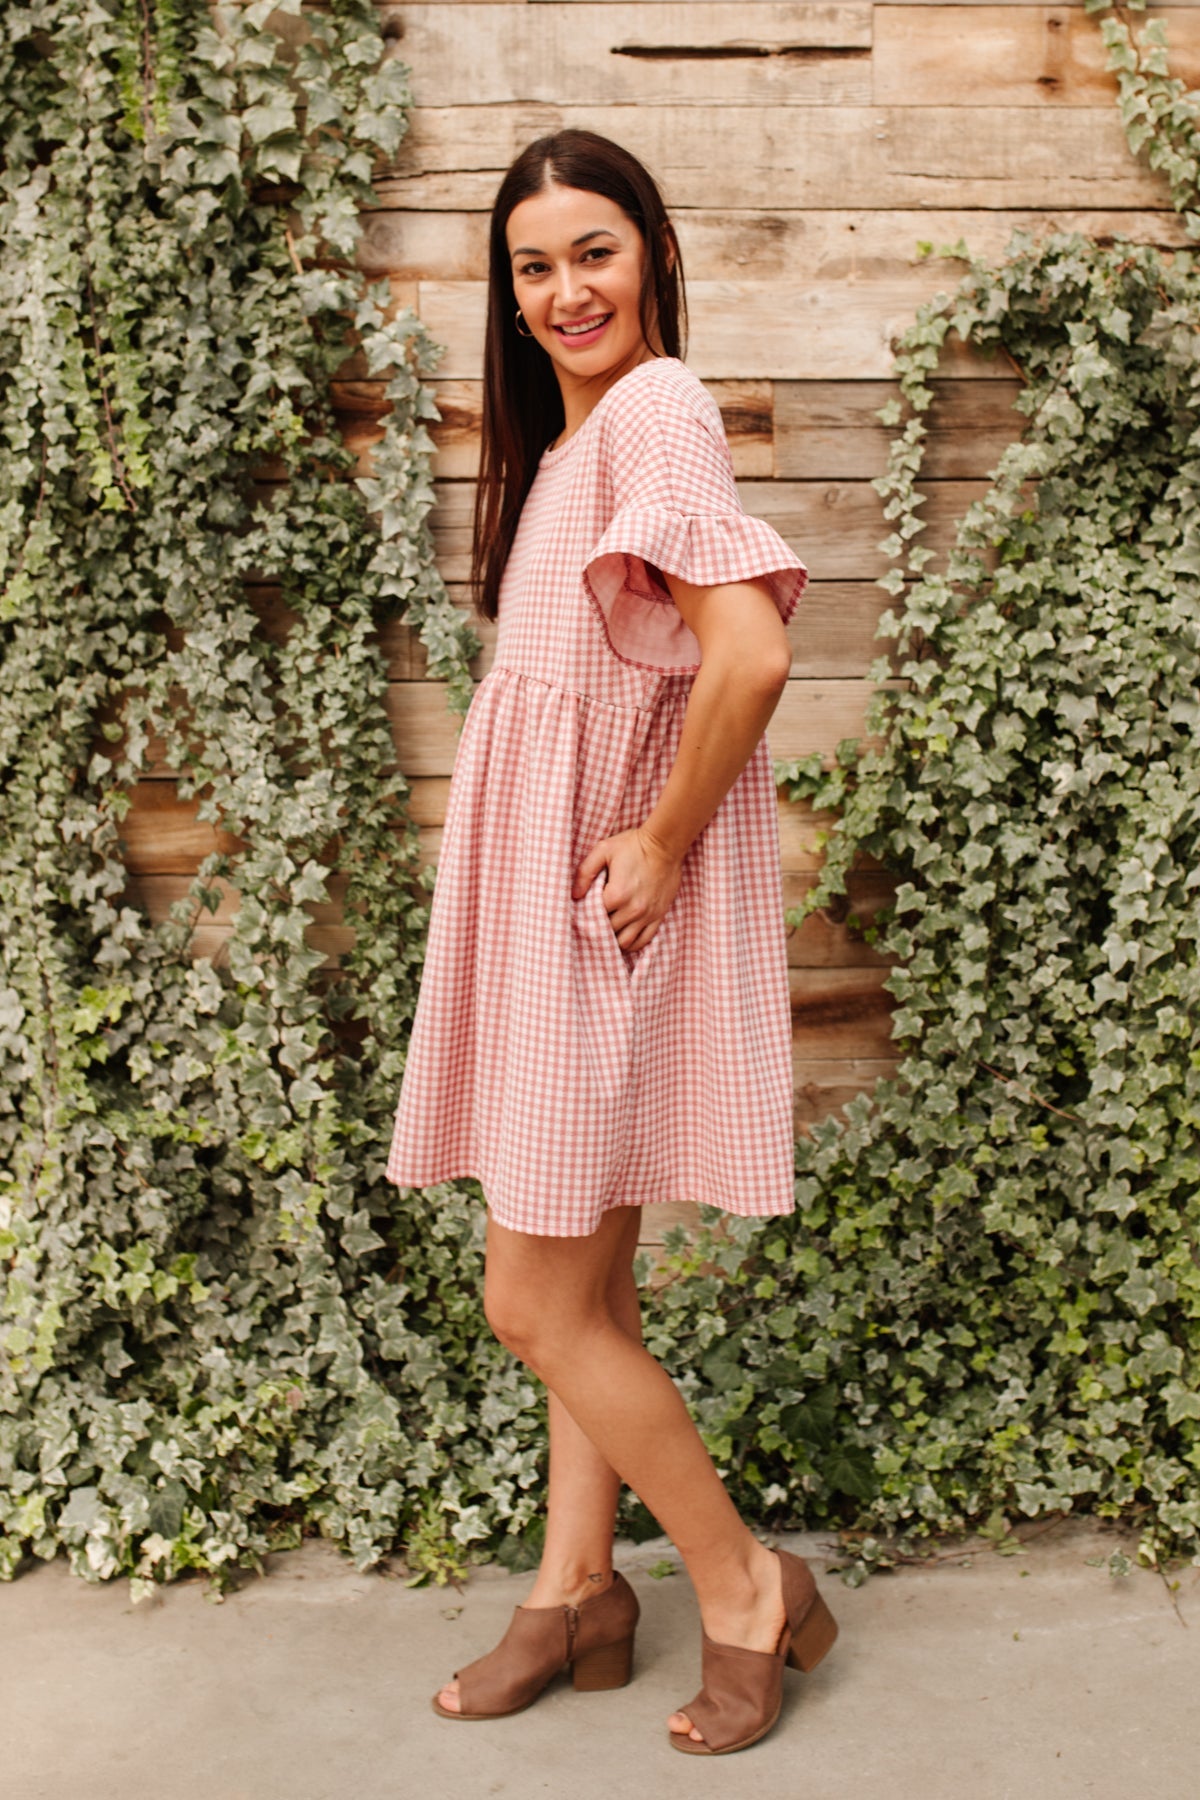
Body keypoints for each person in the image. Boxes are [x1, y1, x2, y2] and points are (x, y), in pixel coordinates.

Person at [386, 129, 837, 1756]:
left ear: (650, 250)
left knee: (536, 1300)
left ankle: (741, 1589)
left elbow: (750, 653)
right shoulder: (576, 442)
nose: (567, 288)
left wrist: (657, 839)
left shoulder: (655, 406)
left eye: (596, 249)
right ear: (504, 296)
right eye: (532, 265)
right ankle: (574, 1588)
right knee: (590, 1264)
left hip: (595, 923)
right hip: (551, 919)